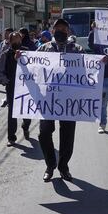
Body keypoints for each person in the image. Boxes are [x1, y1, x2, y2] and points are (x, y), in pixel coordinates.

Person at [36, 18, 85, 182]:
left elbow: (88, 70)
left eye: (64, 29)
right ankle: (50, 165)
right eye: (58, 28)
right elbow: (31, 66)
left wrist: (101, 62)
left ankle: (63, 167)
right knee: (44, 133)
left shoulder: (78, 50)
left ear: (68, 32)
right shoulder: (43, 49)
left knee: (68, 135)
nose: (61, 31)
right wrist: (19, 58)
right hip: (48, 99)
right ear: (52, 30)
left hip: (69, 100)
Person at [0, 32, 32, 146]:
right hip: (12, 87)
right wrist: (6, 81)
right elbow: (0, 71)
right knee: (12, 112)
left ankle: (25, 126)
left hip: (26, 87)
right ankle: (11, 137)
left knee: (26, 110)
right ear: (10, 41)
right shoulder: (5, 54)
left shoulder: (27, 52)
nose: (17, 42)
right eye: (14, 40)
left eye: (18, 40)